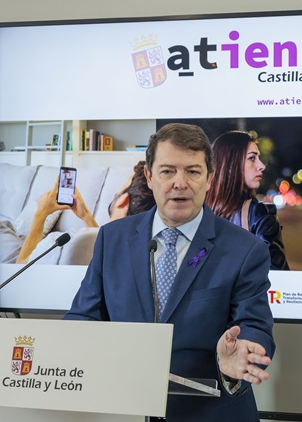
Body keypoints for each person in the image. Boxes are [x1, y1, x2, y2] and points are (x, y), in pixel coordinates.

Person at [65, 123, 275, 421]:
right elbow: (83, 317)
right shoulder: (112, 238)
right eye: (167, 171)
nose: (180, 183)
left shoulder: (245, 249)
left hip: (210, 412)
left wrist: (241, 354)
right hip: (126, 409)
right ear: (150, 176)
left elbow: (254, 325)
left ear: (209, 178)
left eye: (193, 171)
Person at [15, 161, 155, 264]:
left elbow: (20, 268)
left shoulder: (64, 243)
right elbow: (101, 243)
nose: (118, 190)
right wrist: (85, 215)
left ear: (123, 201)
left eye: (124, 184)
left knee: (5, 228)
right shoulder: (140, 251)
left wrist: (41, 214)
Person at [206, 130, 289, 270]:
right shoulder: (260, 215)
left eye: (258, 158)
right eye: (252, 158)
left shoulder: (198, 214)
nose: (262, 166)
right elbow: (276, 276)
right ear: (230, 165)